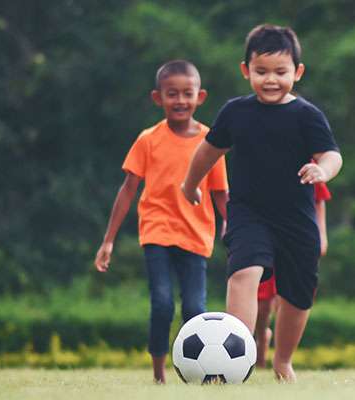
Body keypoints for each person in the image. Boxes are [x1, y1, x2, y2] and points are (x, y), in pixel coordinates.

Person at [181, 24, 342, 383]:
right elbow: (207, 152)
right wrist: (190, 184)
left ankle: (283, 361)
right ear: (246, 70)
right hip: (248, 213)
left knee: (298, 296)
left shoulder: (307, 115)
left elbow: (332, 155)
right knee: (244, 274)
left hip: (296, 219)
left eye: (281, 72)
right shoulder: (236, 112)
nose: (271, 80)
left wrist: (323, 171)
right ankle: (234, 362)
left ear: (297, 73)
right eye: (262, 71)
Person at [94, 60, 229, 384]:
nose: (180, 100)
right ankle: (158, 374)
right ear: (158, 98)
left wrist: (232, 225)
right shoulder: (148, 139)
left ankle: (198, 370)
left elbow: (222, 192)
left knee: (195, 308)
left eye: (187, 93)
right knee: (163, 303)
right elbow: (128, 190)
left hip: (196, 236)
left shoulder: (212, 142)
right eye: (172, 94)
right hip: (156, 232)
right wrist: (108, 240)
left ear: (201, 96)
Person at [254, 181, 331, 368]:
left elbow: (319, 200)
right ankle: (261, 340)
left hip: (296, 238)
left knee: (287, 299)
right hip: (266, 238)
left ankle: (281, 357)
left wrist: (321, 233)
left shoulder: (308, 160)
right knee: (262, 307)